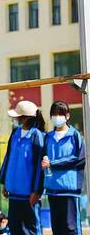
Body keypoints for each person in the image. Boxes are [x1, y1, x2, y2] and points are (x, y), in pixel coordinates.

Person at [0, 100, 45, 235]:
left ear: (25, 118)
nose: (15, 118)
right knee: (15, 229)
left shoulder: (37, 136)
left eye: (18, 116)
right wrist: (4, 183)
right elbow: (8, 158)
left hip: (29, 196)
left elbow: (39, 167)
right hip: (14, 194)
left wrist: (36, 191)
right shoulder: (15, 134)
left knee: (30, 231)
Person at [42, 100, 85, 235]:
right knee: (57, 229)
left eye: (60, 114)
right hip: (52, 190)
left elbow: (78, 159)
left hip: (69, 191)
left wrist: (53, 163)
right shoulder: (47, 137)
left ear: (67, 116)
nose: (57, 117)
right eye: (54, 114)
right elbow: (43, 159)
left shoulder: (75, 136)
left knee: (71, 228)